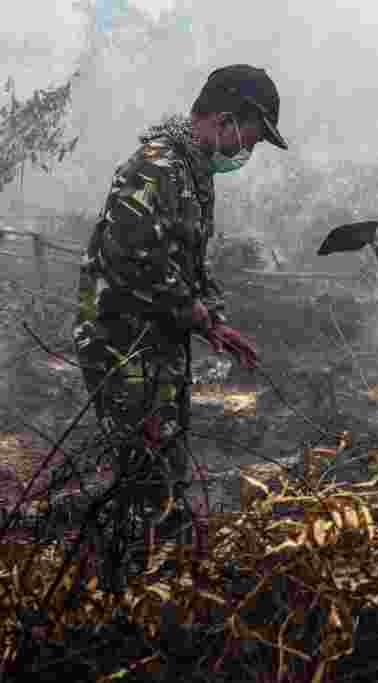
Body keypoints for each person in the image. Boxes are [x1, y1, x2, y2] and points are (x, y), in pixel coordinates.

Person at [72, 65, 287, 544]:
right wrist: (193, 312)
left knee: (166, 460)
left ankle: (161, 569)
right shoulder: (156, 165)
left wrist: (215, 321)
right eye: (249, 138)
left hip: (157, 342)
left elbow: (188, 262)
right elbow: (128, 255)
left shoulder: (194, 174)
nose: (245, 151)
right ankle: (125, 579)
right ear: (227, 117)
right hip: (121, 342)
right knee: (143, 469)